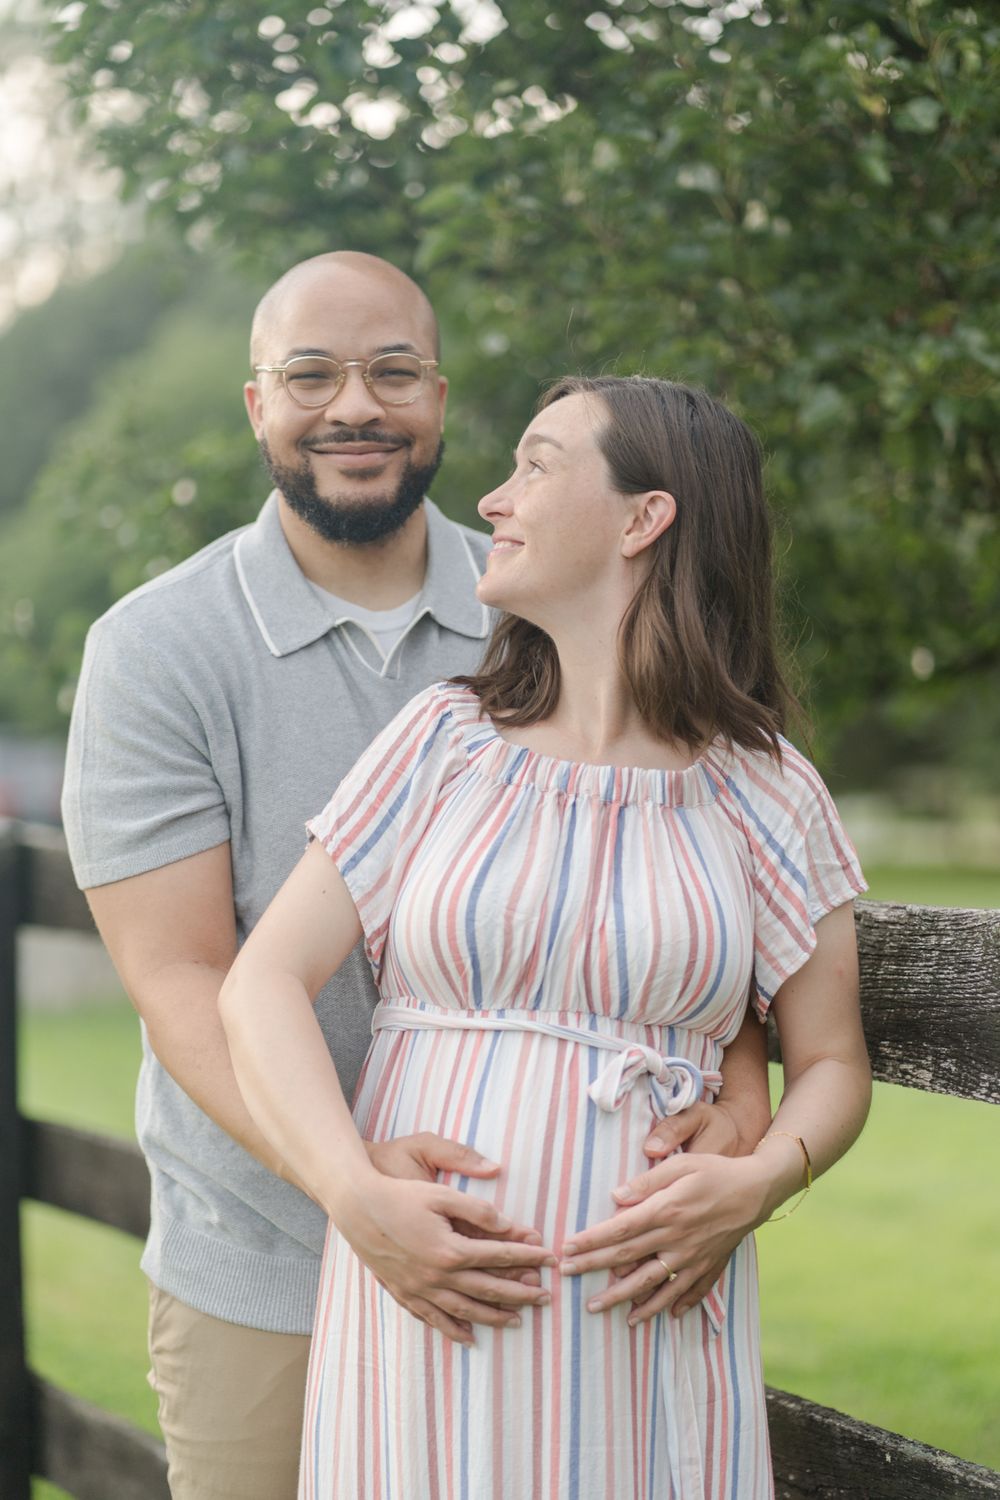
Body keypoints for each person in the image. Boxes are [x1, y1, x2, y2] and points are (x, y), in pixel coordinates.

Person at [61, 258, 770, 1500]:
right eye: (311, 376)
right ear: (257, 406)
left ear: (439, 399)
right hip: (265, 1263)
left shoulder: (551, 594)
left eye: (393, 372)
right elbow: (182, 980)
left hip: (551, 1274)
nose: (356, 406)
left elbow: (690, 864)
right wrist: (351, 1190)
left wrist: (745, 1096)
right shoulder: (156, 649)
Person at [219, 374, 872, 1499]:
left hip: (645, 1320)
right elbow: (260, 984)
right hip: (423, 1299)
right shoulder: (443, 742)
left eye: (536, 465)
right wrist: (353, 1193)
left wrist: (759, 1181)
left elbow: (832, 1061)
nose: (493, 498)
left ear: (643, 518)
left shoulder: (766, 790)